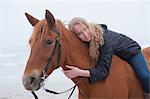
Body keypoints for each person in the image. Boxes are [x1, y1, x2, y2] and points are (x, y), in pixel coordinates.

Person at [63, 17, 150, 99]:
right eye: (80, 33)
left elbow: (103, 72)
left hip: (131, 51)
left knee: (144, 75)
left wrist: (80, 72)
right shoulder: (87, 41)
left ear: (88, 26)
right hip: (115, 51)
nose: (85, 35)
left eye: (85, 29)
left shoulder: (104, 40)